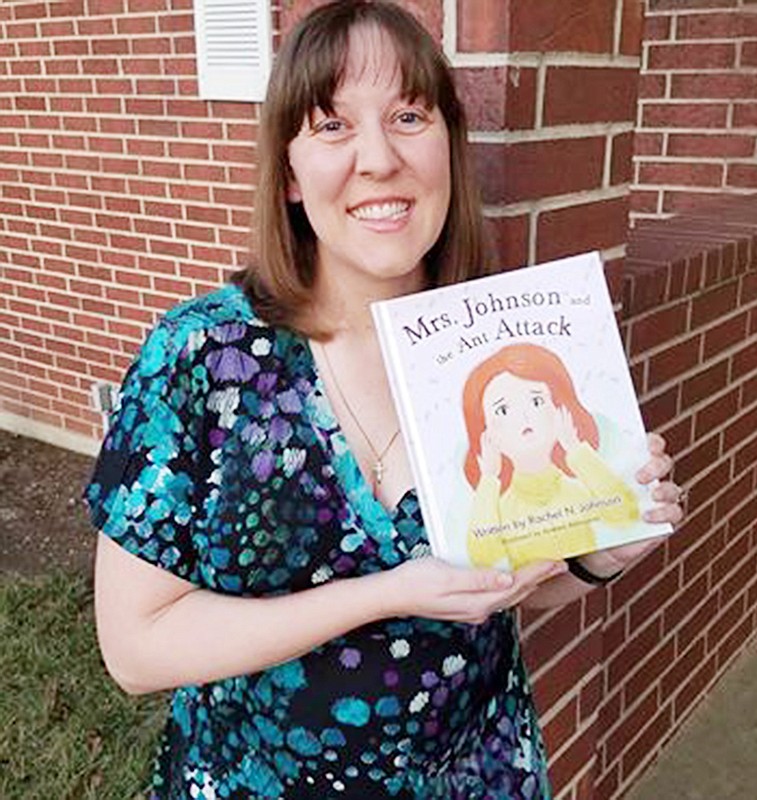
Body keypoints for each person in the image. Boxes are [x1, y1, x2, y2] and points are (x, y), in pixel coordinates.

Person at [86, 2, 684, 798]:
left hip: (478, 775)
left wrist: (596, 555)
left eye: (409, 115)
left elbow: (513, 577)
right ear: (291, 174)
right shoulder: (203, 358)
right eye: (332, 126)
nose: (378, 159)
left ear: (448, 148)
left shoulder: (491, 350)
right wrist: (389, 593)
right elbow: (136, 647)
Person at [462, 344, 640, 569]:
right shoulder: (503, 508)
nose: (524, 416)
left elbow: (624, 513)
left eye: (536, 401)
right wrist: (489, 479)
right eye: (503, 410)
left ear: (560, 410)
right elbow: (483, 556)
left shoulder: (577, 490)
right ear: (486, 433)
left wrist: (575, 449)